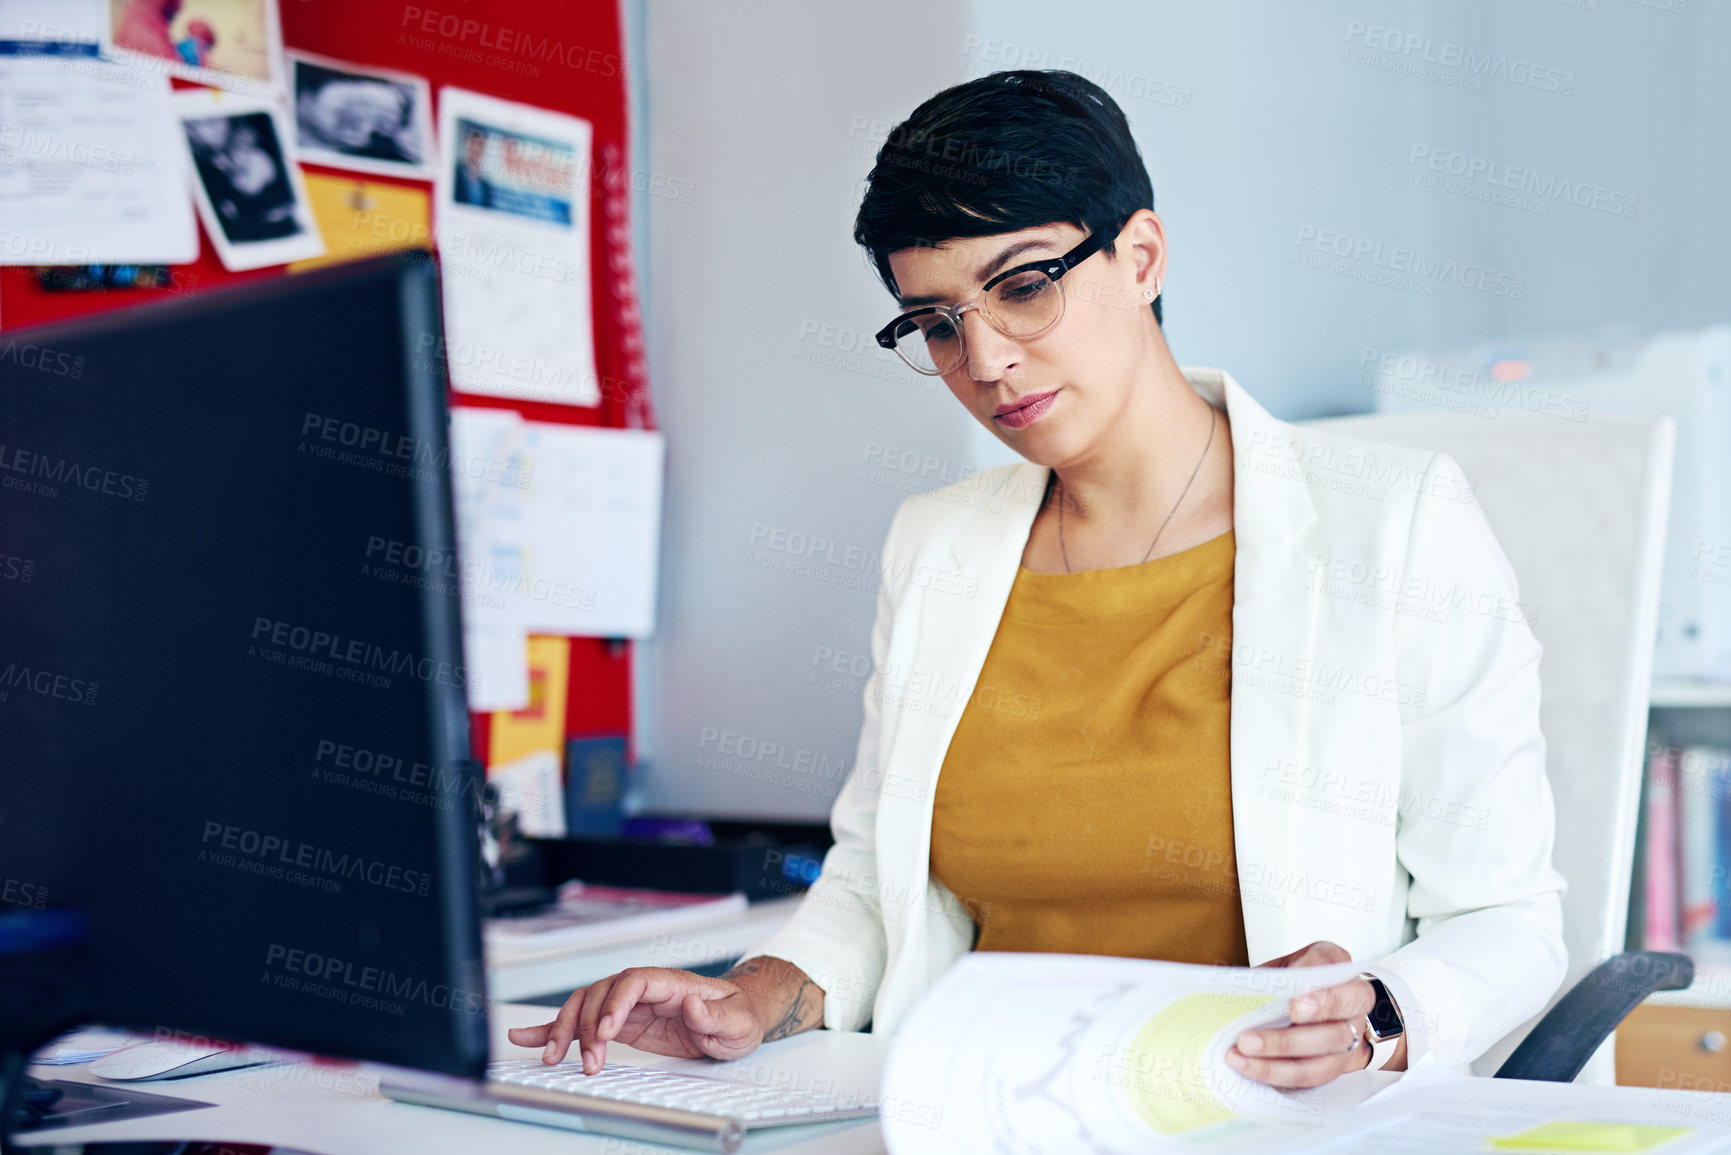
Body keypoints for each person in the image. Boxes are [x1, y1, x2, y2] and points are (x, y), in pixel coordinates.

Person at [510, 69, 1567, 1090]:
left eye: (1021, 288)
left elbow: (1510, 921)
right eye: (936, 322)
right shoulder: (937, 547)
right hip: (988, 1108)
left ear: (1141, 255)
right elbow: (879, 888)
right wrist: (750, 995)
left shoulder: (1392, 521)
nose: (986, 359)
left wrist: (1379, 1014)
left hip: (1264, 1118)